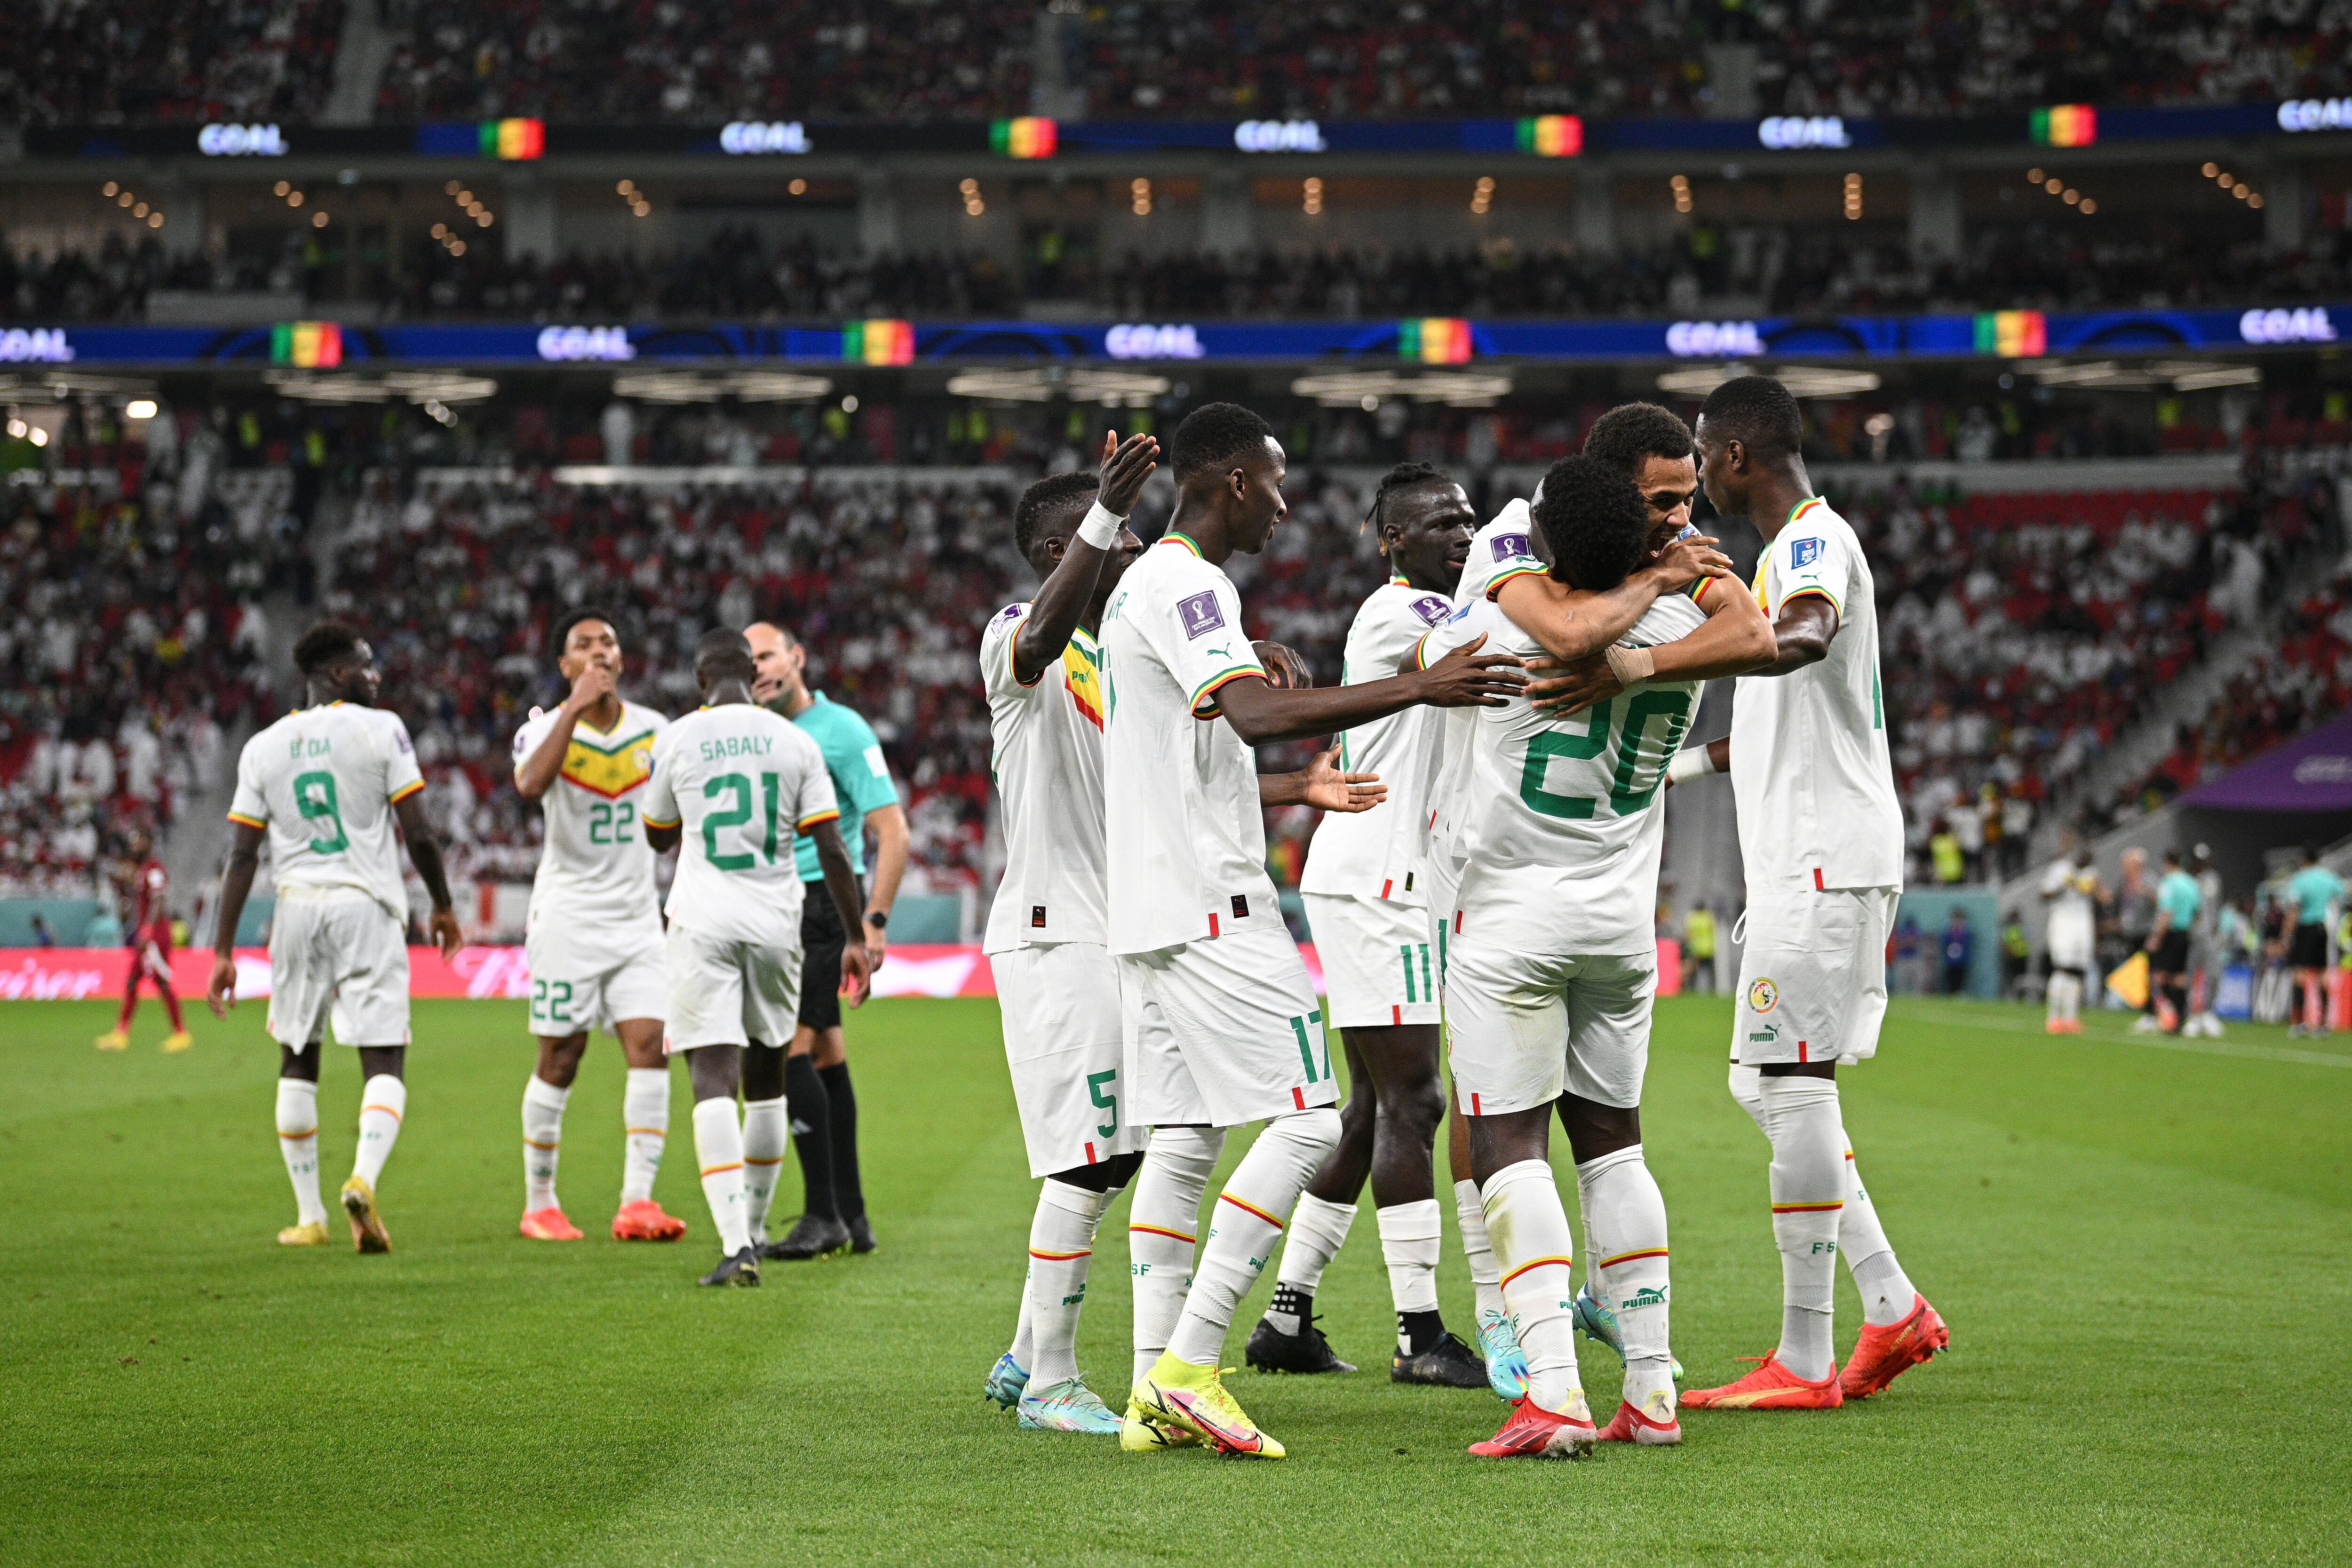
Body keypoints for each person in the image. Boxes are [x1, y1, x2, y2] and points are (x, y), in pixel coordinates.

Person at [1103, 401, 1523, 1459]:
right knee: (1309, 1115)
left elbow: (1204, 743)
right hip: (1211, 902)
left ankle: (1148, 1389)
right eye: (1276, 479)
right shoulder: (1190, 580)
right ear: (1234, 479)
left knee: (1187, 1142)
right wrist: (1419, 685)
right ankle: (1190, 1366)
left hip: (1149, 901)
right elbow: (1247, 716)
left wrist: (1292, 763)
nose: (1287, 503)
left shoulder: (1145, 591)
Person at [1436, 452, 1771, 1457]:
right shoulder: (1682, 634)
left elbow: (1424, 675)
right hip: (1623, 928)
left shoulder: (1494, 628)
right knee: (1615, 1143)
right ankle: (1653, 1392)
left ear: (1543, 545)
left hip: (1508, 926)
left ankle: (1551, 1391)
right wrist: (1674, 575)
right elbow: (1748, 633)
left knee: (1507, 1145)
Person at [1666, 374, 1948, 1411]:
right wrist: (1667, 775)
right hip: (1814, 852)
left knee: (1784, 1082)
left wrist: (1661, 652)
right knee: (1769, 1083)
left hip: (1825, 855)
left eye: (1702, 453)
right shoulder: (1779, 556)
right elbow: (1769, 724)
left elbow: (1803, 636)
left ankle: (1805, 1356)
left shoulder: (1808, 544)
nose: (1696, 473)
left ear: (1739, 456)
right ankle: (1889, 1305)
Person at [1259, 461, 1493, 1392]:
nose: (1461, 534)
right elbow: (1479, 663)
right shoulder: (1405, 614)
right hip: (1378, 883)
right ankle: (1419, 1332)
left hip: (1393, 879)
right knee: (1416, 1103)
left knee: (1366, 1113)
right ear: (1392, 540)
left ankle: (1286, 1317)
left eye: (1470, 519)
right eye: (1439, 523)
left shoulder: (1444, 609)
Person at [975, 437, 1162, 1432]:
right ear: (1061, 549)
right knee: (1088, 1161)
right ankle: (1050, 1380)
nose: (1131, 549)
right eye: (1117, 535)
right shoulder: (1019, 633)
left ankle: (1022, 1351)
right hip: (1053, 934)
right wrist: (1104, 510)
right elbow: (1038, 642)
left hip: (1112, 932)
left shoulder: (1110, 661)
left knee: (1116, 1154)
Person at [206, 621, 464, 1251]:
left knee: (298, 1056)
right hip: (365, 904)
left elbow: (242, 857)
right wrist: (443, 903)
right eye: (368, 665)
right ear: (339, 673)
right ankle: (363, 1178)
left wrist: (220, 950)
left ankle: (309, 1217)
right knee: (384, 1058)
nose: (377, 675)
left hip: (295, 907)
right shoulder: (382, 729)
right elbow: (420, 832)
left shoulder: (264, 745)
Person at [637, 629, 872, 1286]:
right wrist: (855, 934)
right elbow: (830, 844)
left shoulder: (679, 737)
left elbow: (658, 837)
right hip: (776, 922)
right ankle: (762, 1228)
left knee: (714, 1077)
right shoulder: (794, 741)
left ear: (699, 681)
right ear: (753, 676)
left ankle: (736, 1242)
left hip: (703, 921)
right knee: (769, 1076)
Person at [508, 608, 690, 1244]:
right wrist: (574, 709)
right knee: (562, 1055)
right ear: (565, 666)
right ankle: (540, 1203)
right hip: (567, 915)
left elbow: (676, 823)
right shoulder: (540, 730)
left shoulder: (656, 731)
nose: (598, 651)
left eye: (608, 642)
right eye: (583, 645)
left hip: (637, 916)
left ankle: (636, 1201)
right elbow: (530, 784)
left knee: (651, 1047)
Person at [744, 619, 909, 1258]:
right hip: (780, 903)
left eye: (767, 655)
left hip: (821, 904)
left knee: (787, 1053)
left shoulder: (841, 731)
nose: (758, 667)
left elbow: (892, 831)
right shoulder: (753, 732)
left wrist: (872, 922)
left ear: (797, 658)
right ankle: (851, 1214)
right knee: (826, 1057)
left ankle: (821, 1215)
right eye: (749, 658)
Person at [95, 825, 192, 1053]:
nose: (134, 845)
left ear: (149, 842)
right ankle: (120, 1034)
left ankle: (181, 1034)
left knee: (161, 982)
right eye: (133, 841)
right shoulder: (143, 870)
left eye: (138, 840)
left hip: (154, 938)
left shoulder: (155, 869)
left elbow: (158, 900)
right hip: (145, 937)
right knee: (131, 982)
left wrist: (148, 929)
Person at [2284, 843, 2345, 1038]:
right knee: (2320, 976)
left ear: (2304, 861)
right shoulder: (2329, 877)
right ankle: (2322, 1024)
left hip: (2305, 928)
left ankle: (2299, 1022)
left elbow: (2294, 908)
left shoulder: (2300, 879)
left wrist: (2286, 936)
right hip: (2322, 929)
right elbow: (2342, 894)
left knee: (2299, 975)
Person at [2041, 844, 2102, 1034]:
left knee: (2078, 970)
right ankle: (2053, 1017)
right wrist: (2063, 885)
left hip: (2082, 924)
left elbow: (2094, 893)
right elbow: (2044, 894)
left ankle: (2070, 1017)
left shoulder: (2092, 873)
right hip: (2063, 922)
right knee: (2062, 968)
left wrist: (2083, 886)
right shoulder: (2060, 869)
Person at [2145, 847, 2201, 1036]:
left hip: (2169, 933)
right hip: (2185, 934)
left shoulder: (2168, 883)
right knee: (2180, 978)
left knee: (2158, 976)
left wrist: (2156, 937)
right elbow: (2197, 913)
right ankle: (2181, 1019)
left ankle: (2165, 1016)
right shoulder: (2192, 883)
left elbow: (2166, 912)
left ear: (2168, 863)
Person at [2184, 844, 2225, 1037]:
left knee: (2214, 975)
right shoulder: (2188, 881)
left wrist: (2216, 932)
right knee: (2191, 976)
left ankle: (2208, 1012)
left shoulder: (2212, 879)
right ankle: (2192, 1015)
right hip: (2192, 936)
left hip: (2209, 935)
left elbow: (2215, 908)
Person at [2116, 848, 2157, 1031]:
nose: (2124, 867)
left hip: (2146, 934)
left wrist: (2148, 893)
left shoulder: (2149, 880)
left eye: (2127, 863)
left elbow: (2162, 904)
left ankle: (2153, 1013)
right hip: (2131, 934)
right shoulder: (2125, 883)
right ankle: (2147, 1011)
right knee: (2139, 975)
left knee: (2150, 974)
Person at [1684, 903, 1718, 994]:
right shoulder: (1709, 917)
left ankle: (1691, 990)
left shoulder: (1692, 918)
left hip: (1696, 949)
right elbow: (1714, 930)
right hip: (1708, 949)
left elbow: (1688, 934)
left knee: (1693, 973)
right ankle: (1712, 990)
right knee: (1710, 973)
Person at [1940, 908, 1975, 996]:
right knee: (1951, 978)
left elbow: (1969, 942)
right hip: (1951, 961)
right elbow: (1944, 941)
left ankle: (1959, 993)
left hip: (1962, 960)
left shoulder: (1965, 932)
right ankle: (1952, 993)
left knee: (1960, 978)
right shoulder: (1949, 931)